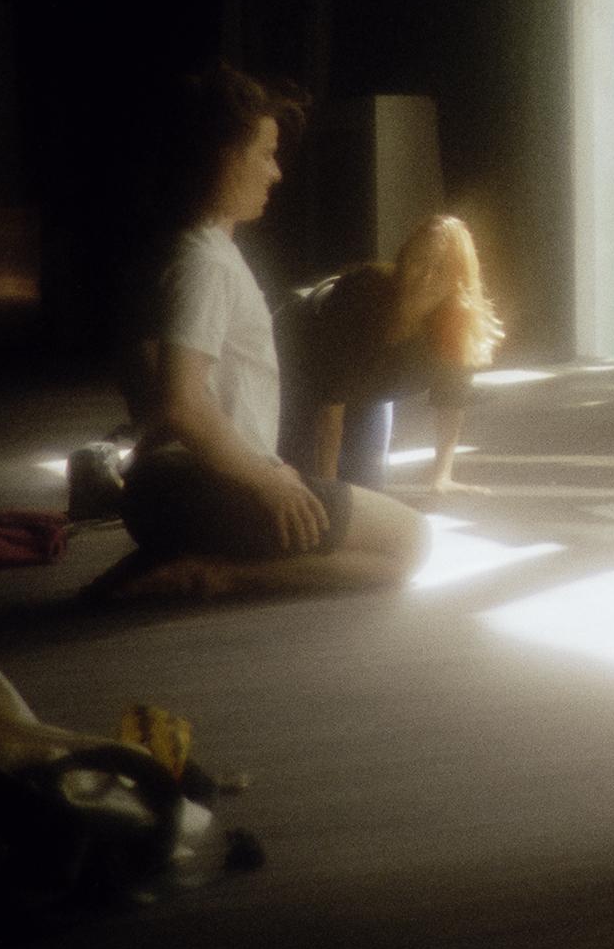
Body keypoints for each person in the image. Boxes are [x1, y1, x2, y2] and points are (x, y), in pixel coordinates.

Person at [85, 64, 426, 604]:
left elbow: (147, 379)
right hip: (201, 491)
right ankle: (213, 576)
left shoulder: (173, 252)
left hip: (166, 491)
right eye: (265, 153)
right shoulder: (203, 263)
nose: (276, 172)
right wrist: (264, 481)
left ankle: (174, 556)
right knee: (411, 542)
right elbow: (181, 403)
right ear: (224, 156)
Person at [276, 214, 501, 497]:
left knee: (366, 490)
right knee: (303, 483)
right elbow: (330, 402)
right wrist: (329, 494)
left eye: (441, 269)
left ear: (458, 280)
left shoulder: (459, 323)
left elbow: (450, 402)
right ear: (403, 259)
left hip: (367, 388)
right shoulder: (363, 295)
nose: (426, 277)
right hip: (298, 361)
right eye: (419, 261)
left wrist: (442, 477)